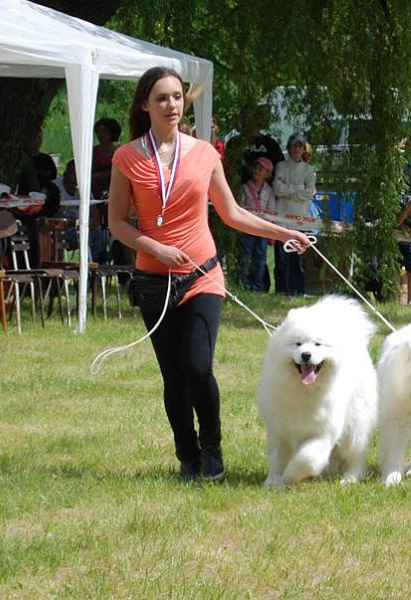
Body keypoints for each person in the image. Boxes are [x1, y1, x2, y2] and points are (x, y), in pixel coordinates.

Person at [107, 66, 310, 482]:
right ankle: (188, 455)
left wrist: (284, 231)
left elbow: (233, 214)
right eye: (162, 98)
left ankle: (212, 447)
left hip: (202, 275)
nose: (172, 105)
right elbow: (117, 223)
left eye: (178, 97)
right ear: (145, 104)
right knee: (174, 376)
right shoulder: (127, 157)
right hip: (153, 280)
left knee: (198, 367)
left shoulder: (203, 153)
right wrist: (155, 247)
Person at [273, 133, 316, 296]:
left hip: (301, 220)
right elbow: (277, 189)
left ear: (304, 149)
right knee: (281, 259)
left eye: (299, 146)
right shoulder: (281, 166)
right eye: (294, 145)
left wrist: (289, 189)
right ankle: (281, 291)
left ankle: (297, 291)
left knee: (297, 260)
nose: (296, 149)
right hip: (282, 218)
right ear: (289, 147)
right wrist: (299, 188)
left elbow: (310, 192)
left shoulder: (308, 169)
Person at [238, 156, 276, 291]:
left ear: (267, 173)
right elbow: (240, 208)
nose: (257, 171)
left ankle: (257, 286)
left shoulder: (269, 191)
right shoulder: (245, 188)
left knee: (260, 259)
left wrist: (269, 230)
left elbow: (271, 211)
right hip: (247, 228)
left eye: (261, 169)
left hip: (262, 230)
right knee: (245, 258)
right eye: (255, 168)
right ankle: (244, 285)